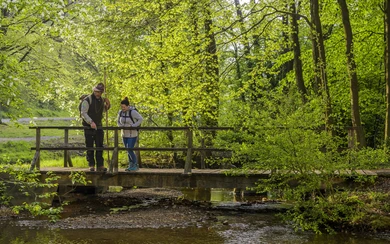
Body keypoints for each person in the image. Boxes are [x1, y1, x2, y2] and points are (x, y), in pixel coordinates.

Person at [80, 83, 111, 172]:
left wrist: (107, 105)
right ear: (94, 91)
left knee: (99, 146)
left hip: (99, 125)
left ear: (101, 92)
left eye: (100, 92)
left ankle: (100, 165)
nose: (98, 93)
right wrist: (91, 122)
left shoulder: (101, 100)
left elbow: (102, 111)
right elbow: (83, 113)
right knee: (89, 146)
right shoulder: (87, 100)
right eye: (97, 91)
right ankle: (91, 164)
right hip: (88, 126)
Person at [117, 97, 143, 171]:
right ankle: (130, 165)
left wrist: (133, 126)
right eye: (122, 107)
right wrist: (120, 126)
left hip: (132, 134)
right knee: (127, 149)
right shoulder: (120, 112)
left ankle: (135, 164)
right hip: (124, 134)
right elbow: (118, 121)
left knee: (130, 149)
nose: (123, 108)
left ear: (128, 106)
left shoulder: (133, 112)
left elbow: (141, 119)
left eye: (124, 107)